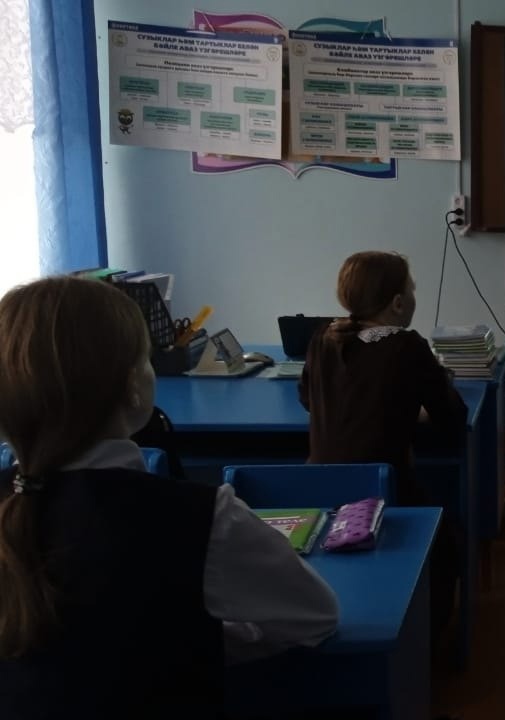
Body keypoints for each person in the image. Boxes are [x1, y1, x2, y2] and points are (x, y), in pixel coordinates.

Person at [0, 277, 338, 718]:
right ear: (132, 385)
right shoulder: (201, 517)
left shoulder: (20, 508)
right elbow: (314, 614)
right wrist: (193, 637)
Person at [298, 250, 466, 629]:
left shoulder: (322, 338)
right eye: (412, 290)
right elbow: (452, 418)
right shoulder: (407, 345)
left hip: (318, 487)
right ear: (398, 303)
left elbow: (308, 399)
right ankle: (431, 644)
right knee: (445, 550)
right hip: (383, 492)